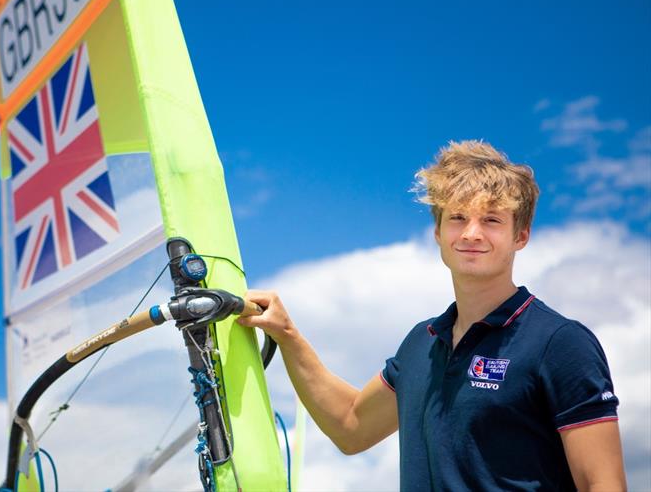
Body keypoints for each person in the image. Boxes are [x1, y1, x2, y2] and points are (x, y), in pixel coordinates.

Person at [238, 141, 627, 491]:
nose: (472, 233)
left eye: (492, 220)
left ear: (520, 236)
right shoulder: (421, 344)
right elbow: (350, 426)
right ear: (438, 232)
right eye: (457, 218)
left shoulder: (559, 343)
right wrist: (287, 335)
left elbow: (603, 483)